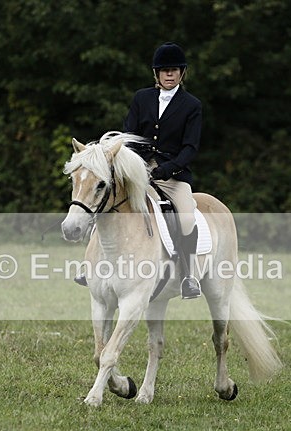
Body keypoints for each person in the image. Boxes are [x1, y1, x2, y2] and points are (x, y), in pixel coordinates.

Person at [123, 42, 203, 299]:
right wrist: (136, 163)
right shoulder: (141, 98)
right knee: (107, 199)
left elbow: (190, 147)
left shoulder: (191, 105)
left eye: (174, 70)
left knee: (187, 218)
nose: (169, 74)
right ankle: (89, 265)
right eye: (164, 70)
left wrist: (168, 168)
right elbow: (129, 134)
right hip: (139, 170)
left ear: (182, 73)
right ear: (156, 73)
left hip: (173, 175)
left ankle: (188, 277)